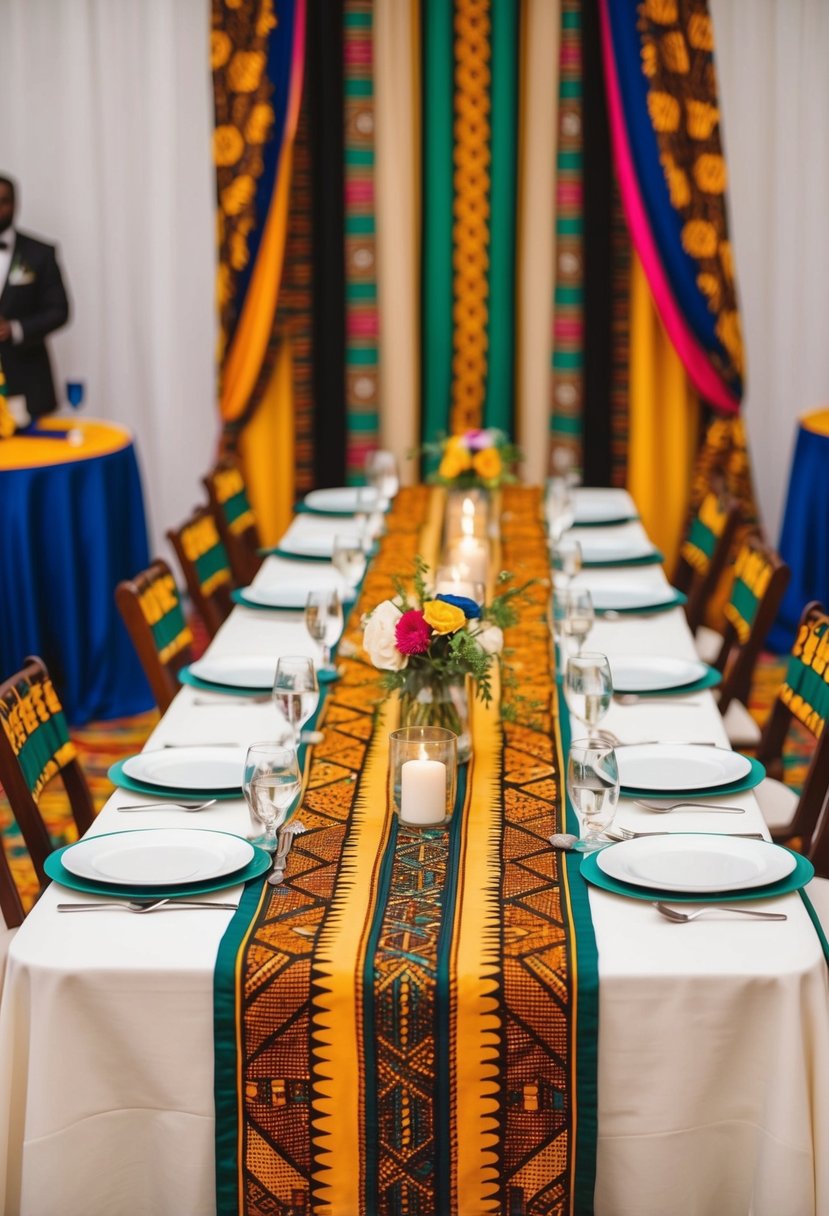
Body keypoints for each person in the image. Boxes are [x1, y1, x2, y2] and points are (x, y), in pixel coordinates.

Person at [0, 174, 70, 421]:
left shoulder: (40, 253)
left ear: (15, 203)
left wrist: (15, 328)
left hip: (30, 382)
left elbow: (60, 311)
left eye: (3, 201)